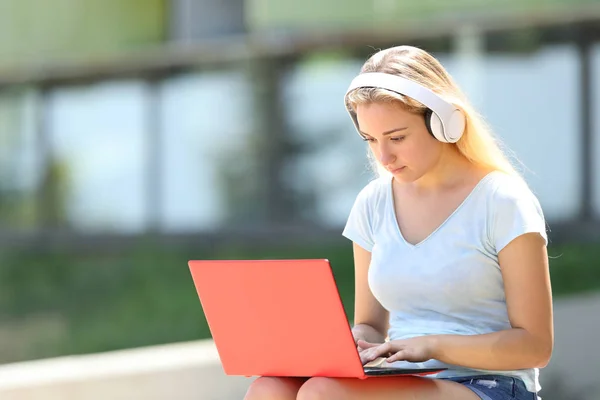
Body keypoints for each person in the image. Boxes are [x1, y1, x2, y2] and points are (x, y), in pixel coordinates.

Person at [244, 45, 553, 400]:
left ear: (444, 123)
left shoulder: (502, 200)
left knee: (324, 394)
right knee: (268, 388)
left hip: (491, 384)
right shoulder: (373, 203)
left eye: (397, 137)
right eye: (370, 140)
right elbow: (372, 326)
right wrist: (349, 346)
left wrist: (431, 345)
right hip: (403, 379)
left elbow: (535, 346)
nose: (383, 156)